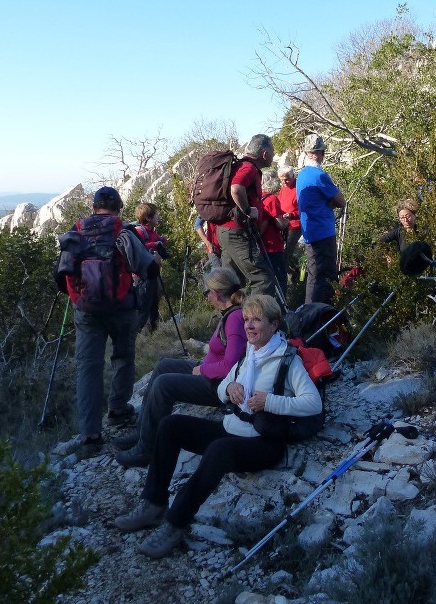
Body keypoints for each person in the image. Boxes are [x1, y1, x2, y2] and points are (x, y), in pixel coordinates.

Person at [113, 294, 321, 560]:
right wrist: (229, 387)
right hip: (235, 427)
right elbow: (225, 384)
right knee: (170, 425)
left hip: (265, 441)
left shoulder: (287, 360)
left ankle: (175, 523)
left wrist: (271, 402)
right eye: (247, 319)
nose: (249, 326)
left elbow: (312, 403)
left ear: (274, 324)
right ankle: (153, 505)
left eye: (257, 320)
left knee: (219, 450)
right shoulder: (252, 353)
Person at [56, 186, 159, 460]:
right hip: (122, 307)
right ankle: (118, 410)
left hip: (86, 311)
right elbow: (148, 269)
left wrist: (79, 296)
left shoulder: (76, 233)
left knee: (88, 368)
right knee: (123, 356)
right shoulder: (123, 232)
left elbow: (60, 279)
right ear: (118, 208)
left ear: (93, 207)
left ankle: (90, 434)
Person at [113, 267, 246, 468]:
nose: (207, 297)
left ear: (217, 292)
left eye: (207, 292)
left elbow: (231, 365)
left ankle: (146, 449)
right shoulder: (229, 314)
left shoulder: (235, 319)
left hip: (221, 386)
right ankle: (143, 431)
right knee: (164, 366)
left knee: (164, 384)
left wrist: (202, 370)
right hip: (212, 374)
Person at [217, 134, 283, 308]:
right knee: (263, 279)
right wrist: (247, 210)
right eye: (273, 151)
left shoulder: (240, 166)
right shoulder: (249, 169)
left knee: (232, 283)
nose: (274, 155)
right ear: (264, 154)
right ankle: (256, 325)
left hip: (226, 231)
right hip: (237, 232)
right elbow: (236, 188)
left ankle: (232, 326)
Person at [296, 134, 347, 304]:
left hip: (310, 233)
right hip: (323, 232)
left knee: (314, 275)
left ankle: (310, 312)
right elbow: (341, 201)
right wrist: (329, 202)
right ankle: (321, 315)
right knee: (325, 278)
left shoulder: (301, 175)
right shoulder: (319, 175)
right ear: (322, 153)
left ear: (306, 152)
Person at [128, 202, 167, 333]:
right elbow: (140, 247)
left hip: (152, 274)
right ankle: (135, 336)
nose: (159, 217)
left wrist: (161, 241)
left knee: (153, 306)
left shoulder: (151, 232)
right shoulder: (140, 231)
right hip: (142, 277)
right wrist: (155, 244)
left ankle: (152, 334)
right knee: (143, 307)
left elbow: (153, 243)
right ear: (149, 218)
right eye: (157, 215)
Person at [260, 169, 289, 300]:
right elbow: (280, 224)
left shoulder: (257, 198)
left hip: (260, 245)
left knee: (265, 279)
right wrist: (287, 221)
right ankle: (280, 309)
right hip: (272, 245)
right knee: (281, 278)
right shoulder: (271, 199)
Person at [277, 165, 301, 278]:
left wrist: (291, 215)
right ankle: (291, 273)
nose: (284, 182)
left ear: (292, 176)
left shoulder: (299, 188)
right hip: (283, 225)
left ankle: (292, 276)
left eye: (286, 179)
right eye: (281, 179)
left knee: (286, 254)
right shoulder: (283, 189)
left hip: (295, 226)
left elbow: (304, 209)